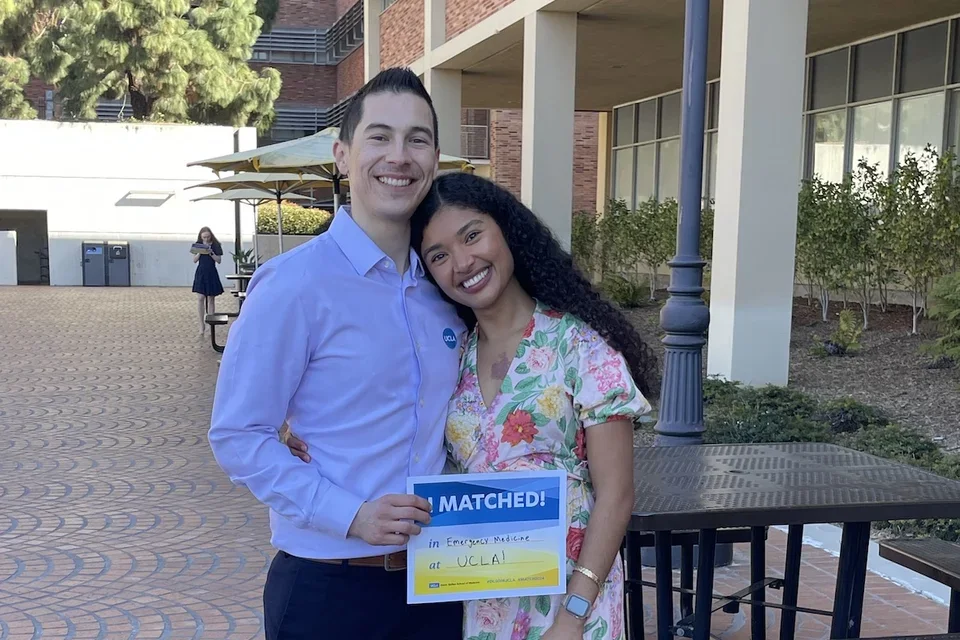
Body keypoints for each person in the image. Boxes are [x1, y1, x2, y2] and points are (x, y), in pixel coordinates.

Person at [286, 172, 660, 640]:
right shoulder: (449, 353)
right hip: (476, 602)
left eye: (472, 235)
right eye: (439, 255)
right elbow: (390, 418)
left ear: (506, 230)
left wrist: (574, 615)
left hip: (570, 603)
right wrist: (297, 429)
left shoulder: (580, 346)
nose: (463, 262)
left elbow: (617, 495)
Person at [207, 68, 466, 640]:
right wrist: (350, 513)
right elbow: (237, 435)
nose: (398, 156)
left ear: (435, 158)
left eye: (417, 139)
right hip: (330, 591)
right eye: (380, 136)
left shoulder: (448, 291)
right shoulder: (295, 284)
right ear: (343, 155)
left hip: (442, 587)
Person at [192, 226, 224, 337]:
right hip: (201, 272)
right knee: (200, 298)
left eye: (208, 237)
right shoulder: (197, 244)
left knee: (211, 298)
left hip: (211, 272)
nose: (206, 239)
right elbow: (194, 260)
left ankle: (211, 323)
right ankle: (201, 325)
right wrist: (200, 251)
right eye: (204, 237)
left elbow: (219, 260)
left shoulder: (215, 245)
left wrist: (211, 253)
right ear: (201, 236)